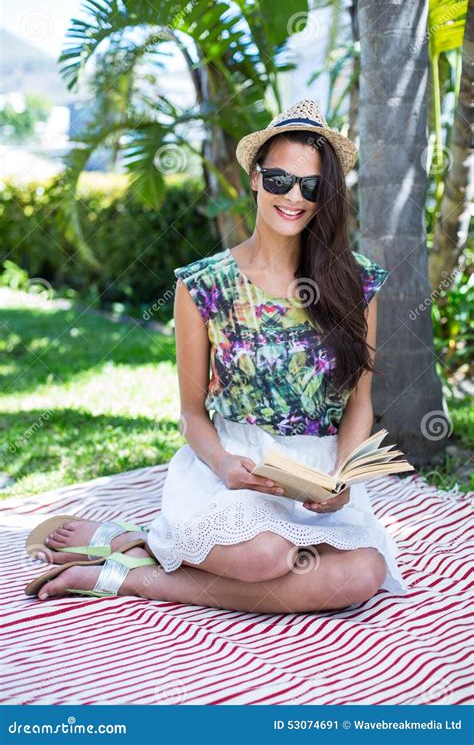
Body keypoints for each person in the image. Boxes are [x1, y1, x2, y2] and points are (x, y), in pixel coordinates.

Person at [26, 99, 409, 611]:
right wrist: (226, 465)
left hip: (317, 479)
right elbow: (191, 413)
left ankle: (138, 572)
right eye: (279, 180)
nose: (293, 196)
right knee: (264, 558)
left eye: (311, 187)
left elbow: (360, 402)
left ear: (326, 197)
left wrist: (342, 480)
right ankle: (144, 545)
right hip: (231, 471)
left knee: (364, 573)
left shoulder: (355, 282)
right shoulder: (203, 285)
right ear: (254, 178)